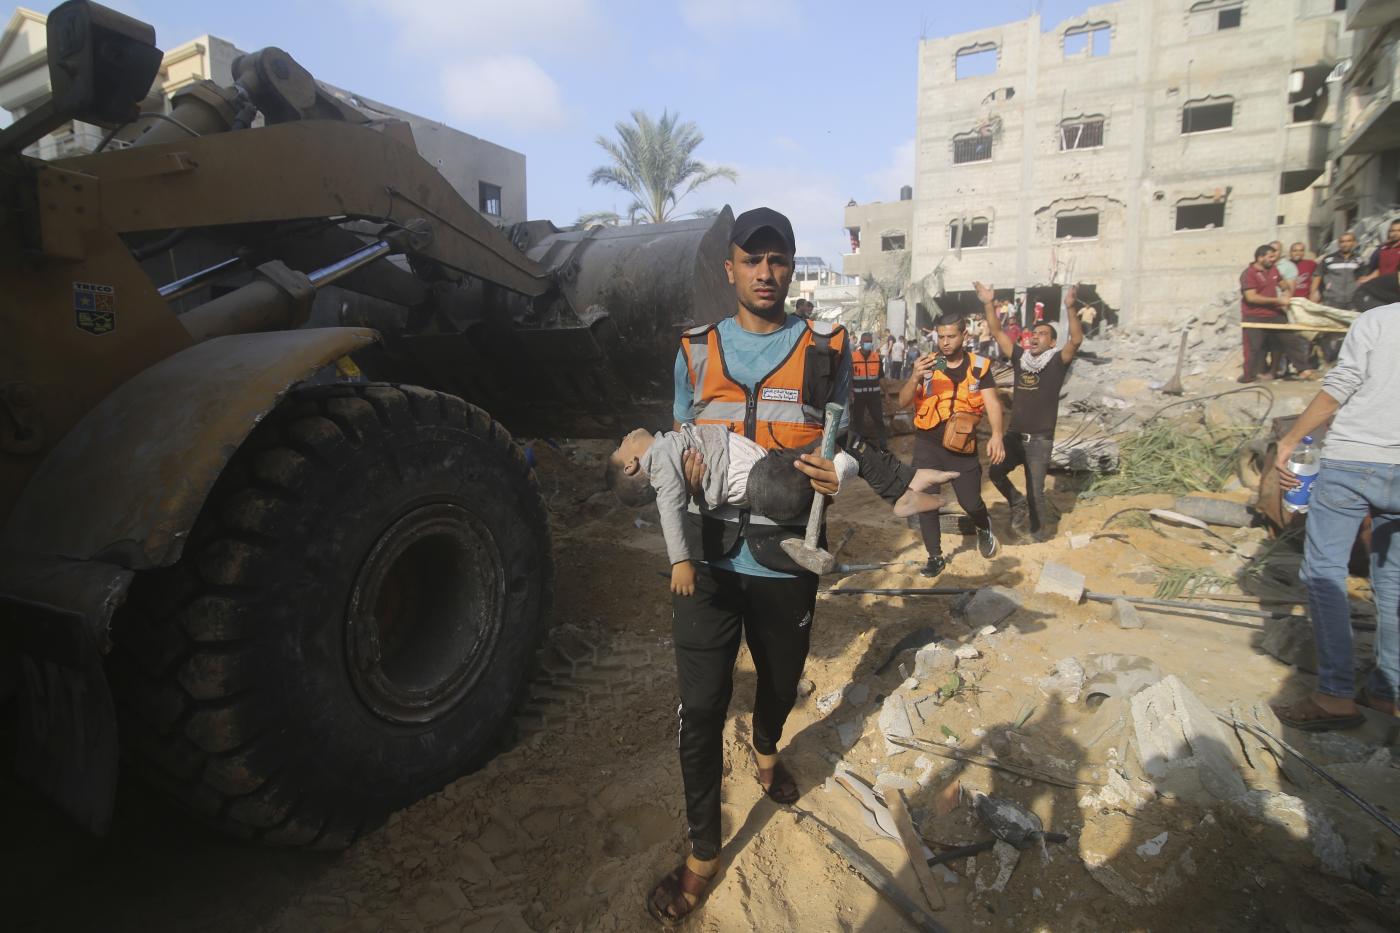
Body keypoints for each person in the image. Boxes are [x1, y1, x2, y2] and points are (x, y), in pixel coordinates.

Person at [645, 207, 847, 924]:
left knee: (781, 683)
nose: (766, 272)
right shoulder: (695, 350)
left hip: (784, 560)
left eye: (778, 259)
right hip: (706, 562)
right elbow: (678, 438)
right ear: (729, 267)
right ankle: (704, 852)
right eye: (752, 259)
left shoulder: (824, 350)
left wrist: (841, 473)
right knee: (700, 710)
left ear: (790, 268)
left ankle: (765, 747)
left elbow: (846, 440)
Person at [606, 424, 956, 592]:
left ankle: (906, 483)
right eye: (621, 445)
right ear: (632, 465)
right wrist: (680, 561)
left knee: (839, 440)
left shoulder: (668, 445)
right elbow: (669, 509)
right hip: (766, 482)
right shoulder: (660, 460)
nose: (625, 436)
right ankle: (898, 488)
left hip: (768, 473)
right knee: (840, 440)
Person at [1270, 301, 1400, 731]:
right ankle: (1387, 693)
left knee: (1324, 571)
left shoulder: (1379, 320)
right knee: (1393, 582)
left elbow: (1341, 385)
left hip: (1354, 460)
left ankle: (1334, 694)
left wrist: (1290, 440)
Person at [898, 313, 1006, 578]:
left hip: (962, 445)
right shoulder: (929, 364)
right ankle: (935, 556)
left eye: (951, 336)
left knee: (971, 502)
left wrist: (997, 435)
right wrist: (914, 377)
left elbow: (992, 402)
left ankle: (983, 525)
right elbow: (902, 401)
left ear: (964, 335)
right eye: (941, 337)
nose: (945, 342)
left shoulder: (978, 366)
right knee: (926, 501)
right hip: (928, 444)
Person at [979, 281, 1083, 541]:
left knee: (1035, 491)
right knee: (995, 472)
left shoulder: (1058, 361)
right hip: (1014, 437)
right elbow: (996, 331)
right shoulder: (1020, 359)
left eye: (1043, 334)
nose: (1035, 337)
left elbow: (1076, 340)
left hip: (1039, 442)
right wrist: (988, 303)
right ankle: (1016, 502)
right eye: (1034, 333)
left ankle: (1038, 537)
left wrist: (1070, 307)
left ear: (1053, 342)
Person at [1239, 243, 1315, 383]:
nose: (1274, 259)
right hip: (1255, 316)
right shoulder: (1249, 274)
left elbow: (1283, 285)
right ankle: (1249, 375)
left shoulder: (1273, 269)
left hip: (1274, 313)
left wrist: (1286, 294)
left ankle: (1304, 369)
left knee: (1291, 340)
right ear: (1260, 257)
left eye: (1274, 257)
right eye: (1271, 257)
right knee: (1254, 348)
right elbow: (1251, 297)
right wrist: (1277, 300)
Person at [850, 330, 888, 449]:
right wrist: (850, 393)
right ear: (861, 342)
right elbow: (849, 378)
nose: (868, 344)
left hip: (874, 396)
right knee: (857, 422)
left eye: (870, 341)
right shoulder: (853, 357)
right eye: (866, 341)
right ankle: (856, 445)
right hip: (858, 397)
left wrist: (886, 393)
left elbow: (881, 377)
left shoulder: (876, 357)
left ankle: (883, 445)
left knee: (879, 420)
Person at [1313, 230, 1365, 309]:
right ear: (1338, 244)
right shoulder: (1328, 259)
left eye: (1348, 241)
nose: (1345, 244)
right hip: (1331, 300)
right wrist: (1313, 293)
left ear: (1354, 243)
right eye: (1342, 241)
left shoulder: (1359, 259)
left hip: (1352, 300)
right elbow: (1317, 276)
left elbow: (1363, 278)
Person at [1355, 219, 1400, 309]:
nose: (1394, 233)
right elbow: (1378, 269)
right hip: (1382, 291)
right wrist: (1367, 278)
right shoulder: (1382, 249)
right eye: (1392, 231)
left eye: (1398, 231)